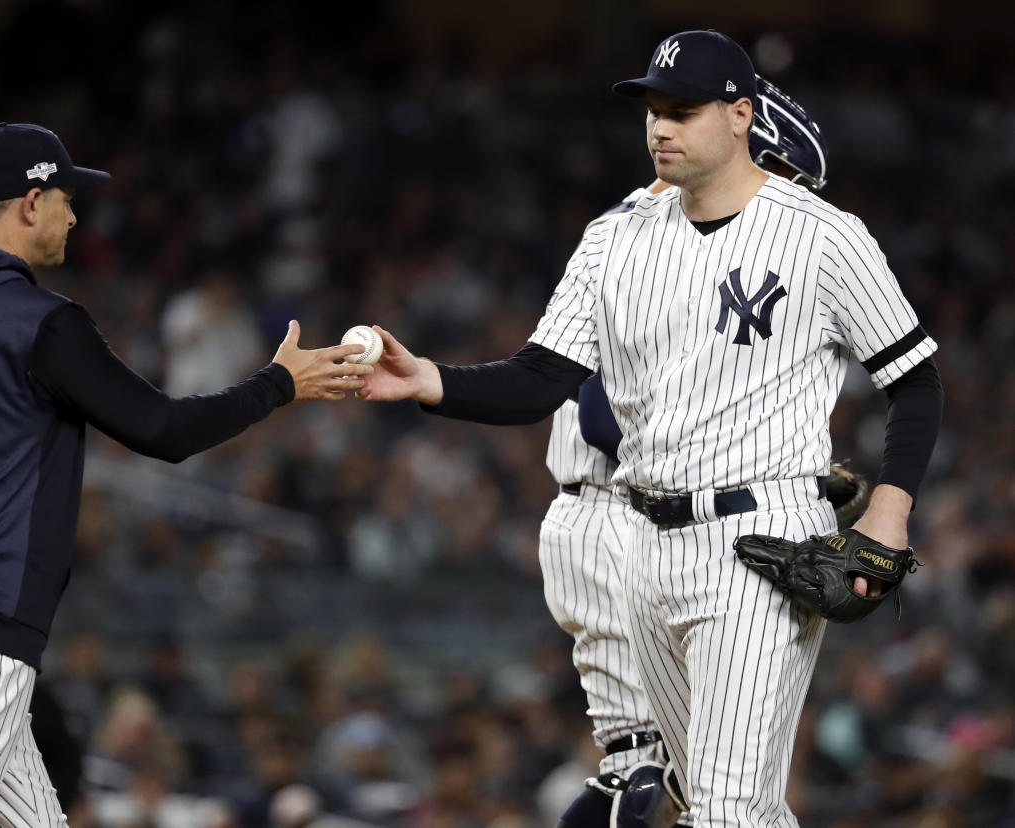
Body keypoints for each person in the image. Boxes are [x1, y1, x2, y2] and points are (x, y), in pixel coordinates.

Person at [358, 30, 943, 827]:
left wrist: (890, 510)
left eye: (684, 111)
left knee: (727, 811)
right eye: (654, 110)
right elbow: (539, 380)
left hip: (761, 541)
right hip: (644, 544)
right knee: (717, 802)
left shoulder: (823, 236)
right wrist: (429, 380)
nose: (661, 127)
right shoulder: (615, 237)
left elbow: (915, 380)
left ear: (741, 116)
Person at [0, 122, 371, 826]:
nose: (74, 213)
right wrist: (277, 384)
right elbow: (164, 430)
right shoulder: (40, 321)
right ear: (29, 203)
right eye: (63, 197)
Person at [542, 74, 833, 828]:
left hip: (632, 520)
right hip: (623, 518)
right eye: (786, 175)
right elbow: (607, 417)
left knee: (691, 794)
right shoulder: (652, 240)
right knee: (659, 791)